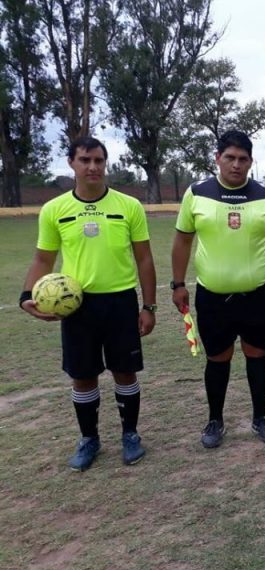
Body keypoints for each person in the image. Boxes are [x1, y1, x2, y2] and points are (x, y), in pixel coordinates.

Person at [20, 136, 157, 471]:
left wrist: (148, 306)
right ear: (72, 163)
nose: (92, 167)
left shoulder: (129, 206)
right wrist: (26, 295)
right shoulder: (55, 210)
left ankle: (130, 435)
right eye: (85, 160)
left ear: (105, 163)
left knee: (125, 371)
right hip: (76, 306)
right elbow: (43, 258)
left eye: (98, 160)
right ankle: (89, 439)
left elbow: (144, 259)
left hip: (121, 301)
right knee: (82, 376)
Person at [171, 130, 265, 448]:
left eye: (243, 159)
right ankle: (215, 420)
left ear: (250, 162)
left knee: (258, 354)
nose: (236, 164)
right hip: (212, 297)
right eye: (229, 157)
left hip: (258, 294)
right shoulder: (197, 193)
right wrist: (177, 284)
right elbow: (182, 240)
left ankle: (260, 417)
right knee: (218, 358)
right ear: (217, 158)